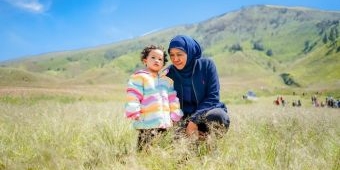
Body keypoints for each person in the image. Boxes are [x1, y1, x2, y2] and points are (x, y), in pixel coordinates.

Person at [165, 35, 230, 139]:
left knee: (218, 116)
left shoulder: (207, 65)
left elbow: (213, 97)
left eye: (179, 54)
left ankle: (210, 144)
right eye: (172, 55)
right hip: (182, 118)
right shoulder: (170, 72)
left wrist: (194, 121)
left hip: (206, 113)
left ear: (189, 52)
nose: (175, 59)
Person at [125, 45, 183, 151]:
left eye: (160, 59)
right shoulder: (139, 77)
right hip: (146, 123)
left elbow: (173, 99)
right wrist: (134, 110)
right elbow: (133, 95)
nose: (157, 60)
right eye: (153, 57)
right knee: (144, 151)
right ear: (145, 60)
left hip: (164, 123)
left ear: (163, 64)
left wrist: (175, 114)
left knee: (162, 150)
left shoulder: (167, 81)